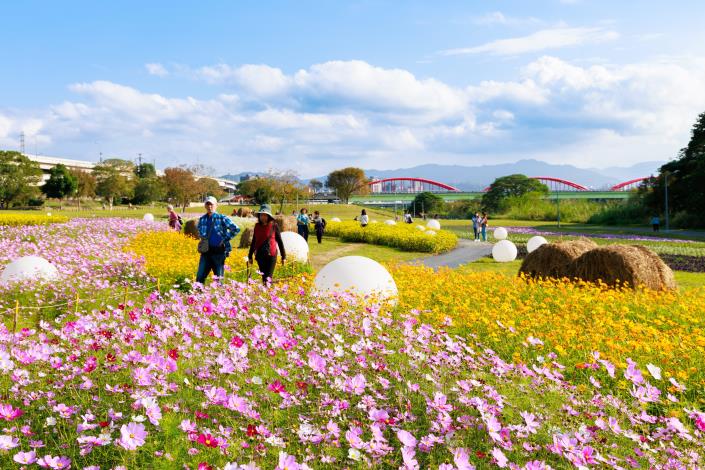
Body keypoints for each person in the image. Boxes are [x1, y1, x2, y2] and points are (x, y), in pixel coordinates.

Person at [196, 196, 241, 284]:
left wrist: (224, 239)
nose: (209, 206)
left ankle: (219, 296)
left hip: (219, 252)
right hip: (206, 252)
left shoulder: (221, 218)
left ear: (216, 205)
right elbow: (200, 233)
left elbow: (236, 229)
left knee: (219, 279)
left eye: (211, 204)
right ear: (205, 206)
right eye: (207, 204)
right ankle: (198, 296)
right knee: (200, 277)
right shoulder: (202, 219)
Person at [248, 204, 286, 285]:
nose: (263, 217)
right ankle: (266, 293)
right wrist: (250, 256)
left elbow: (279, 241)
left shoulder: (274, 225)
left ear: (269, 216)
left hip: (271, 255)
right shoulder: (257, 226)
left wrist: (283, 256)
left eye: (265, 215)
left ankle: (269, 295)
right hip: (260, 255)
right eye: (262, 215)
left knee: (268, 278)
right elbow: (254, 241)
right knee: (264, 277)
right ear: (259, 216)